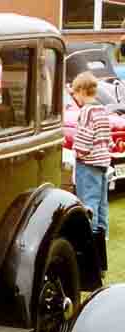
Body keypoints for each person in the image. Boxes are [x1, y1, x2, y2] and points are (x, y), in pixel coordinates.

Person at [72, 71, 111, 273]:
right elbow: (108, 138)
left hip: (88, 164)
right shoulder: (102, 110)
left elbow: (85, 140)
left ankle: (89, 260)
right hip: (103, 163)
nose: (74, 98)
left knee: (88, 207)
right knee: (101, 207)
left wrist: (76, 151)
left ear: (81, 91)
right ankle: (101, 262)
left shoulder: (87, 111)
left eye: (74, 94)